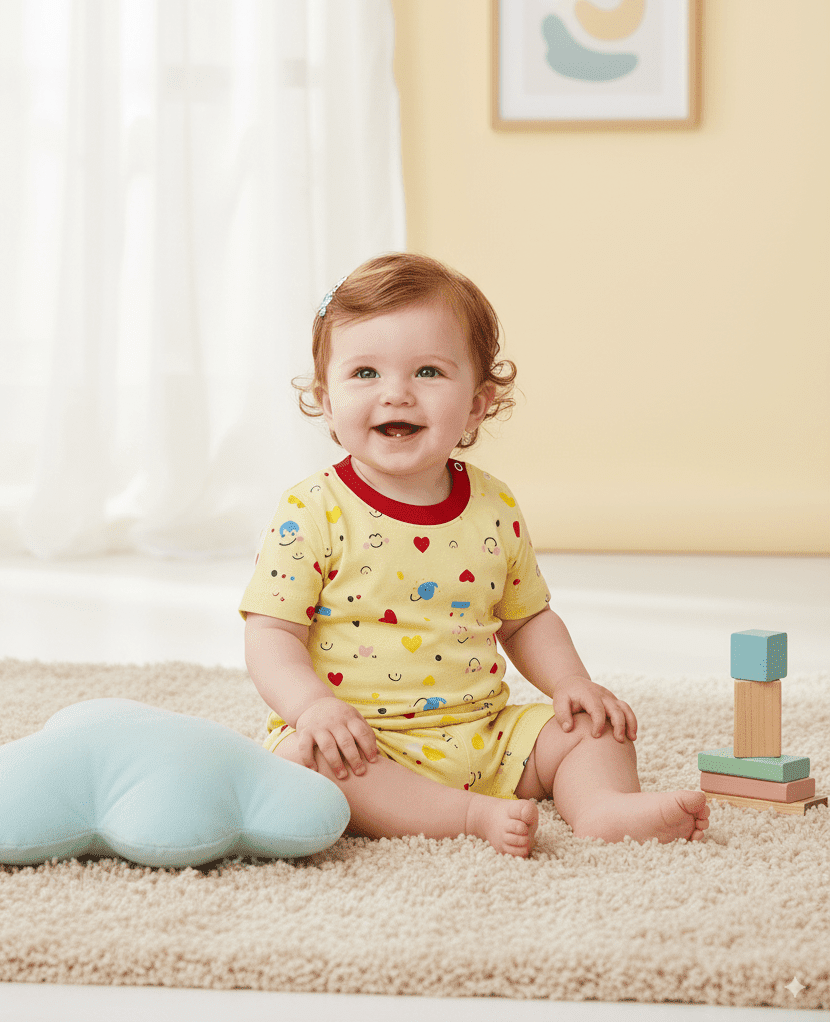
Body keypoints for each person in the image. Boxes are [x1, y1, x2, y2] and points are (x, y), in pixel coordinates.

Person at [240, 253, 709, 857]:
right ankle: (466, 815)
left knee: (595, 727)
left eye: (429, 371)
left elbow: (527, 618)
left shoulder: (492, 505)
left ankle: (601, 807)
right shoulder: (312, 510)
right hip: (360, 739)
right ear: (326, 401)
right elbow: (270, 633)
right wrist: (314, 709)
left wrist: (571, 682)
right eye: (364, 374)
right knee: (315, 771)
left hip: (484, 733)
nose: (397, 394)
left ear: (477, 404)